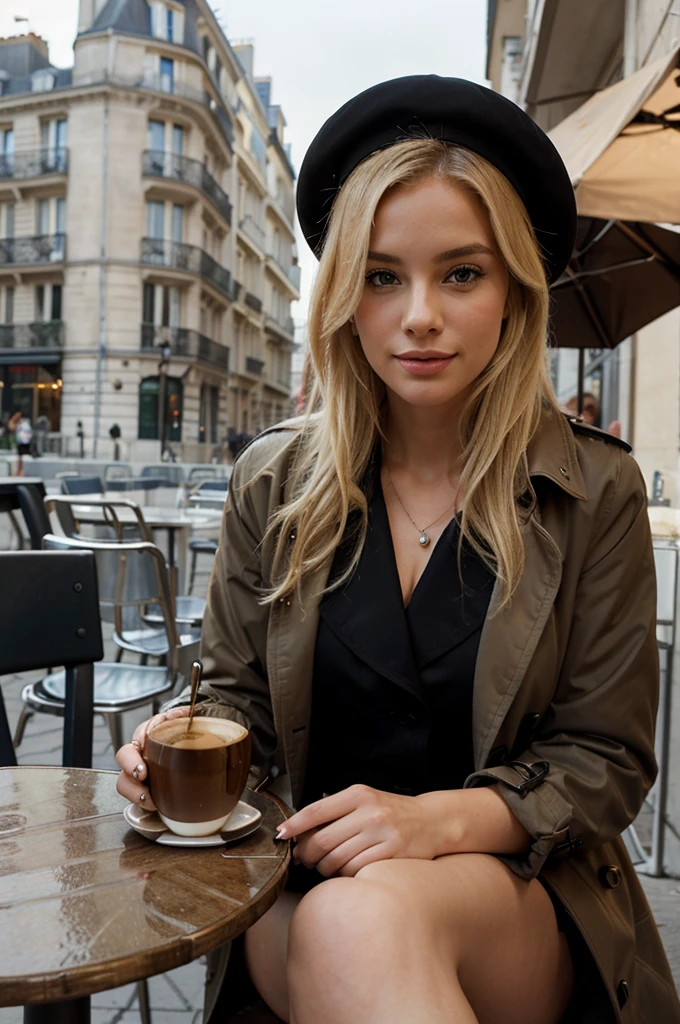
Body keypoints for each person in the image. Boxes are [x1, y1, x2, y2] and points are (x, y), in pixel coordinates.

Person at [116, 76, 680, 1024]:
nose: (418, 313)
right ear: (343, 295)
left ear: (512, 291)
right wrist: (174, 749)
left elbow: (605, 760)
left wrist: (427, 823)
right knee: (345, 920)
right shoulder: (272, 482)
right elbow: (233, 701)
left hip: (512, 890)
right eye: (382, 276)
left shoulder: (594, 489)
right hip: (299, 879)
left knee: (362, 923)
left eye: (461, 273)